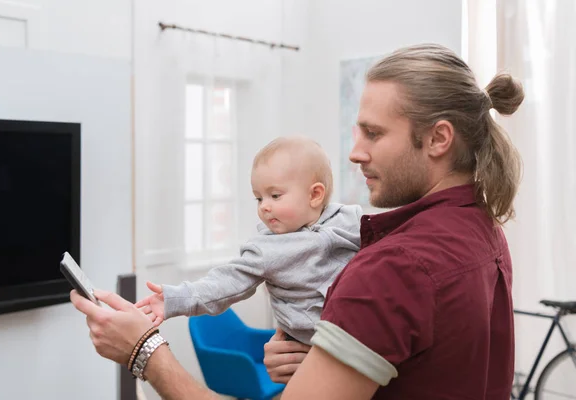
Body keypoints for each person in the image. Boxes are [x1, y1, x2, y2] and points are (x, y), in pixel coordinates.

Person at [71, 43, 525, 399]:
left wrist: (143, 352)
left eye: (374, 132)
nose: (354, 152)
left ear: (438, 138)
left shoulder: (395, 267)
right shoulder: (484, 229)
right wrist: (323, 360)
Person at [134, 136, 361, 344]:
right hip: (312, 342)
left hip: (357, 332)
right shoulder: (266, 249)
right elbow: (224, 283)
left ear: (314, 195)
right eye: (259, 198)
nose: (264, 206)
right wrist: (175, 299)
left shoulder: (349, 219)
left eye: (275, 196)